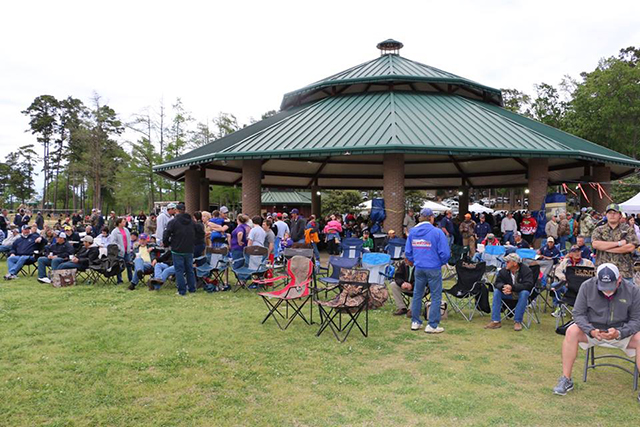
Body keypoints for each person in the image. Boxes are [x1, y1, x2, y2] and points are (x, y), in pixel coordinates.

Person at [552, 263, 640, 398]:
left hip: (622, 332)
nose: (607, 291)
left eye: (611, 286)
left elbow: (636, 320)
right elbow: (578, 314)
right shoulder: (587, 286)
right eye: (603, 287)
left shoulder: (633, 290)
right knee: (571, 331)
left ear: (619, 279)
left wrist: (620, 332)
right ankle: (566, 379)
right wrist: (590, 330)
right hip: (593, 330)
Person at [405, 208, 450, 334]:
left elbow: (408, 252)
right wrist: (440, 262)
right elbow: (445, 253)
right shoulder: (437, 232)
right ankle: (432, 325)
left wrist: (415, 260)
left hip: (419, 268)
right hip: (433, 267)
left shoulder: (413, 232)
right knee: (436, 296)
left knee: (417, 294)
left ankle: (415, 321)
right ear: (431, 217)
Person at [485, 253, 534, 331]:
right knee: (497, 291)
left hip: (519, 293)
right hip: (508, 293)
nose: (506, 263)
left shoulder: (526, 270)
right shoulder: (503, 271)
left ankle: (517, 321)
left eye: (508, 262)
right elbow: (497, 283)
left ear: (515, 263)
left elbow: (528, 285)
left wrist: (512, 288)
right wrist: (503, 287)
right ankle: (495, 320)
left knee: (525, 293)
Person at [591, 203, 639, 280]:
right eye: (609, 213)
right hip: (603, 271)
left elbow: (630, 247)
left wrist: (605, 248)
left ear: (620, 215)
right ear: (606, 215)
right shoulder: (599, 230)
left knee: (626, 292)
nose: (612, 215)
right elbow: (596, 244)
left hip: (624, 272)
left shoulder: (628, 230)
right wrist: (619, 243)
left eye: (615, 213)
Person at [162, 203, 198, 296]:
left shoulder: (173, 222)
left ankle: (182, 291)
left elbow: (166, 234)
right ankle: (192, 288)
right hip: (189, 249)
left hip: (177, 249)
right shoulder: (192, 221)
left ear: (176, 210)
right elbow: (199, 232)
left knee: (179, 270)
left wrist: (167, 243)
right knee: (189, 269)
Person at [549, 244, 595, 315]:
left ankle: (580, 310)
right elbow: (558, 271)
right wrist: (565, 279)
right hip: (567, 286)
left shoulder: (588, 263)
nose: (577, 253)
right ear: (570, 254)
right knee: (555, 285)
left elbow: (593, 275)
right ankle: (559, 307)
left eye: (578, 251)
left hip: (583, 288)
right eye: (574, 252)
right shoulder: (565, 262)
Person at [110, 217, 133, 284]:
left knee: (129, 265)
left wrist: (130, 247)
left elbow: (129, 239)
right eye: (123, 222)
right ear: (119, 223)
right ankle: (119, 280)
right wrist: (119, 247)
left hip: (127, 250)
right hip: (120, 252)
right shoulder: (114, 232)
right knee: (119, 266)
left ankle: (131, 279)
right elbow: (113, 242)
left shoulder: (126, 230)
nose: (125, 223)